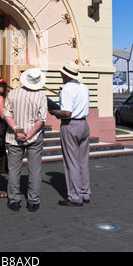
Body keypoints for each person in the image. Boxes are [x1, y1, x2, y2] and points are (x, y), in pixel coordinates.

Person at [3, 68, 47, 212]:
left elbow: (6, 114)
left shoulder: (13, 94)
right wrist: (29, 134)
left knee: (14, 169)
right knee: (35, 169)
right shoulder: (41, 97)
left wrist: (18, 130)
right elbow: (42, 119)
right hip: (34, 136)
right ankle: (33, 201)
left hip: (15, 135)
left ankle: (14, 200)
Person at [49, 61, 91, 207]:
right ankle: (85, 193)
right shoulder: (84, 87)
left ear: (66, 74)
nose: (61, 74)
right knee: (83, 161)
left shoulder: (67, 89)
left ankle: (74, 196)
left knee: (71, 162)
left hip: (70, 124)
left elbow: (67, 112)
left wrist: (54, 111)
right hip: (84, 124)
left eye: (62, 73)